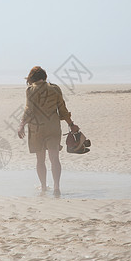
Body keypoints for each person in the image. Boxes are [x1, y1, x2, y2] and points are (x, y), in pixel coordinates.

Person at [18, 66, 79, 197]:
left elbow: (29, 110)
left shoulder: (30, 90)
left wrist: (21, 124)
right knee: (54, 159)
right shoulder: (55, 89)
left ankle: (44, 187)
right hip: (53, 127)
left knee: (40, 160)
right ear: (44, 77)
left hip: (37, 129)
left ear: (32, 78)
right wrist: (71, 124)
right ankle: (56, 187)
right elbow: (62, 109)